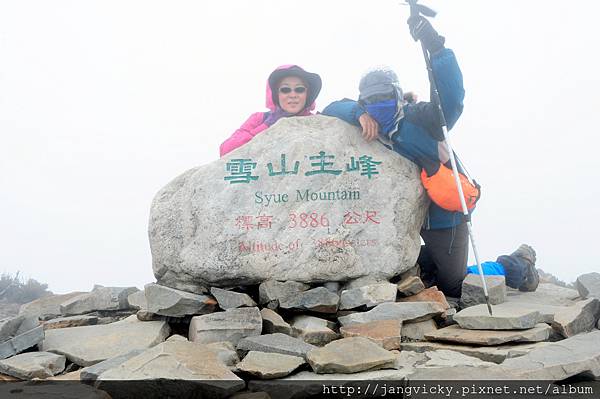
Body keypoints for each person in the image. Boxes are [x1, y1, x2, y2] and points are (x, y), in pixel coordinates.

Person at [322, 16, 538, 298]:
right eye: (370, 101)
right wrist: (357, 113)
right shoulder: (369, 123)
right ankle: (429, 267)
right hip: (405, 217)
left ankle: (516, 266)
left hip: (443, 215)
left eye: (384, 97)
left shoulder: (424, 118)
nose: (377, 105)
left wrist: (436, 49)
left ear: (398, 94)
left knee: (453, 285)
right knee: (401, 268)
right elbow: (331, 107)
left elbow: (451, 98)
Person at [220, 65, 322, 157]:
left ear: (307, 94)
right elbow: (226, 150)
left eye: (299, 89)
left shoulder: (319, 122)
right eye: (285, 90)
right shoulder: (259, 119)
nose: (293, 95)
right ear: (275, 95)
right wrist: (266, 126)